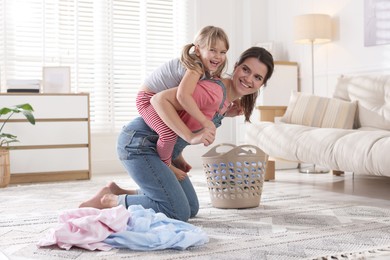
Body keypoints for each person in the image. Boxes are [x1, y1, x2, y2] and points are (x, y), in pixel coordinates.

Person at [79, 46, 274, 222]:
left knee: (191, 207)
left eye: (257, 77)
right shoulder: (213, 91)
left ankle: (117, 191)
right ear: (237, 65)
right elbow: (159, 100)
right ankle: (110, 200)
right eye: (246, 69)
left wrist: (177, 153)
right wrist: (191, 137)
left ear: (262, 84)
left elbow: (180, 119)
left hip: (156, 148)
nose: (249, 79)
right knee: (177, 211)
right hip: (138, 145)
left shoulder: (225, 101)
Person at [136, 25, 229, 181]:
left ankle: (175, 154)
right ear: (198, 50)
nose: (218, 56)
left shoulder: (200, 67)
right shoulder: (196, 67)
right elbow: (183, 96)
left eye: (223, 52)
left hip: (157, 97)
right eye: (212, 50)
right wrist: (205, 122)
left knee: (180, 122)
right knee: (169, 134)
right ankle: (166, 165)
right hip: (147, 100)